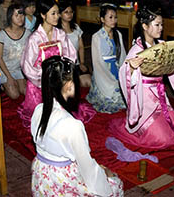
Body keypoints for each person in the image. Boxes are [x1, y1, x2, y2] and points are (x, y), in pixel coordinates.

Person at [108, 6, 174, 149]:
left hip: (161, 95)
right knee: (162, 140)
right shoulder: (137, 49)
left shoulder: (162, 45)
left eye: (161, 24)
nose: (161, 28)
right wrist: (131, 68)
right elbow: (123, 72)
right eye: (157, 25)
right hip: (144, 99)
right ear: (145, 26)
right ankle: (136, 127)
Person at [31, 56, 123, 197]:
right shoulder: (72, 125)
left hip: (42, 177)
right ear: (69, 86)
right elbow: (86, 166)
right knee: (115, 184)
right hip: (61, 179)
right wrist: (105, 181)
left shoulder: (38, 110)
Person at [18, 0, 95, 130]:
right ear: (43, 15)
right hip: (40, 83)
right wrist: (45, 79)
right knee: (43, 117)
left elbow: (70, 55)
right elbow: (27, 66)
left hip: (59, 79)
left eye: (57, 13)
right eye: (53, 13)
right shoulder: (34, 38)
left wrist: (62, 75)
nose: (57, 16)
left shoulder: (60, 34)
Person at [86, 3, 127, 113]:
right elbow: (97, 62)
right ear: (102, 19)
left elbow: (123, 56)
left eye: (115, 17)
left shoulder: (118, 34)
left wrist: (124, 73)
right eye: (110, 17)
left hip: (116, 68)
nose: (113, 20)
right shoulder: (97, 37)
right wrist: (109, 78)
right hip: (103, 71)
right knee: (111, 96)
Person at [0, 2, 30, 99]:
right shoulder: (1, 35)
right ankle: (2, 84)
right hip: (4, 69)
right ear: (10, 16)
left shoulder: (27, 33)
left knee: (25, 91)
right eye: (16, 15)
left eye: (22, 14)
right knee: (15, 95)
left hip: (18, 68)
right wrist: (9, 77)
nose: (20, 17)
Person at [59, 0, 91, 88]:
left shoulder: (76, 27)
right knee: (70, 86)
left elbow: (81, 47)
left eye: (71, 12)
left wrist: (82, 63)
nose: (69, 14)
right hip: (63, 66)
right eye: (66, 12)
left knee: (88, 82)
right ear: (60, 14)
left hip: (76, 64)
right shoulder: (57, 31)